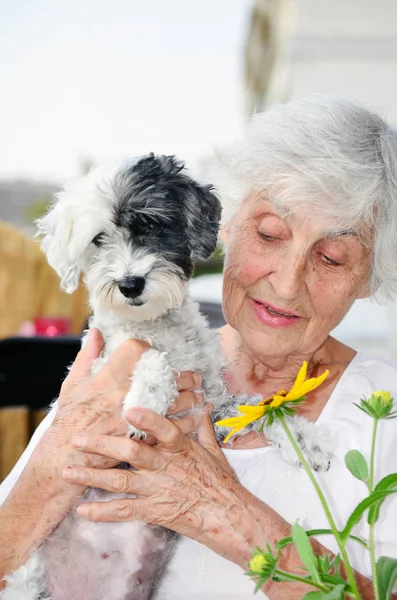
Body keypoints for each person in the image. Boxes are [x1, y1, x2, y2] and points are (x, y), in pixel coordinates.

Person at [1, 94, 397, 600]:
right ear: (224, 225)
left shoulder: (383, 418)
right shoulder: (111, 371)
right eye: (270, 233)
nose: (288, 282)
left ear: (369, 278)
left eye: (333, 257)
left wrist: (223, 512)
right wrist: (56, 462)